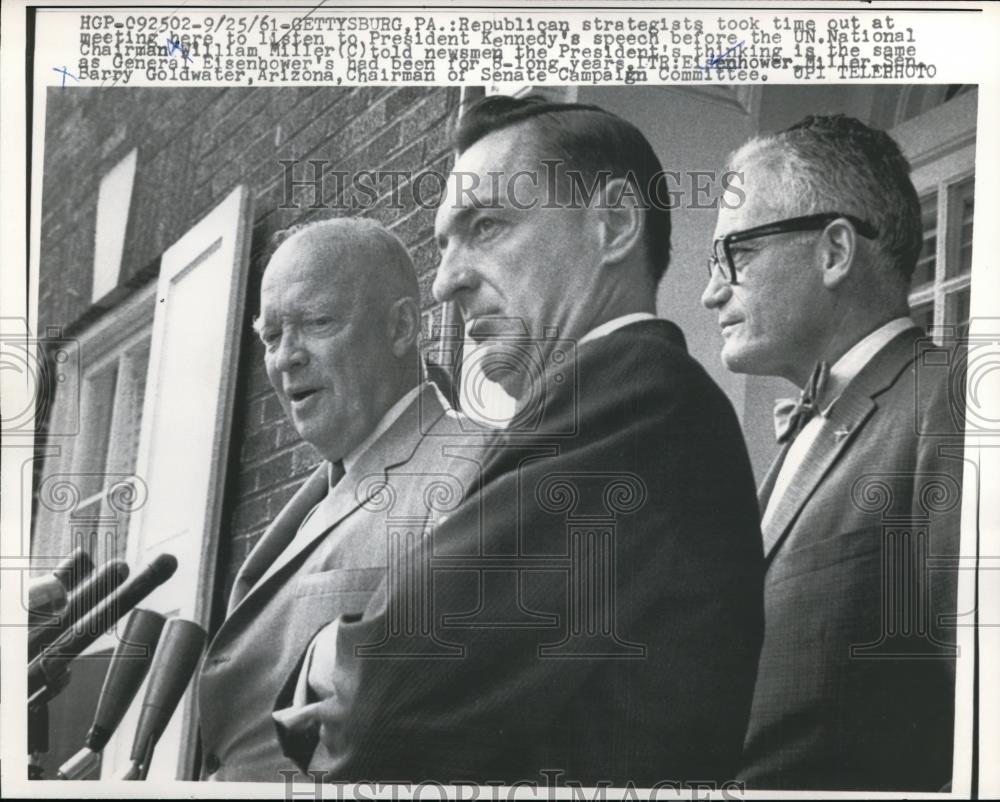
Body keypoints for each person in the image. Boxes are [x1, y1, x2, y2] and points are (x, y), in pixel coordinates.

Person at [274, 95, 765, 787]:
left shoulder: (629, 394)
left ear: (615, 223)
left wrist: (332, 648)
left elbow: (391, 687)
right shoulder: (608, 400)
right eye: (444, 245)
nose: (446, 282)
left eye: (488, 227)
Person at [701, 114, 966, 791]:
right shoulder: (804, 428)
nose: (711, 292)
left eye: (736, 253)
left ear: (835, 252)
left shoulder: (951, 401)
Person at [197, 218, 481, 781]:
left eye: (316, 323)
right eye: (270, 336)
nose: (284, 359)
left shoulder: (476, 468)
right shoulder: (318, 494)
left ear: (401, 327)